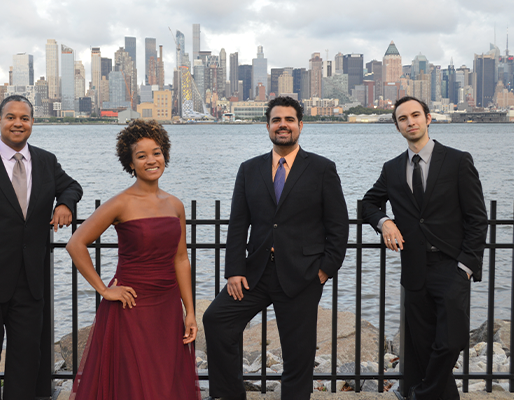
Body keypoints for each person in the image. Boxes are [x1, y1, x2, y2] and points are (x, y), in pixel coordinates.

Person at [203, 96, 349, 400]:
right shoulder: (249, 169)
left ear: (300, 125)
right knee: (217, 319)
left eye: (289, 120)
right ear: (267, 126)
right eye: (276, 120)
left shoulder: (322, 168)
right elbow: (238, 224)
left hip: (302, 274)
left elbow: (338, 225)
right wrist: (234, 271)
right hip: (254, 274)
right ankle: (230, 395)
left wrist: (325, 269)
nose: (283, 125)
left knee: (298, 353)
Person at [0, 95, 83, 400]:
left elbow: (72, 186)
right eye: (11, 117)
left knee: (26, 360)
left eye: (25, 118)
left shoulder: (46, 161)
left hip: (29, 282)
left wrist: (65, 203)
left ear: (32, 123)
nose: (18, 123)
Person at [361, 96, 487, 399]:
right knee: (422, 345)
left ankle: (420, 393)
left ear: (428, 118)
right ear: (397, 127)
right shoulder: (392, 169)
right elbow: (367, 203)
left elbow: (477, 217)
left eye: (415, 115)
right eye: (403, 119)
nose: (410, 122)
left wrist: (466, 267)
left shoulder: (458, 160)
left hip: (452, 266)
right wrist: (384, 223)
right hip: (415, 270)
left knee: (450, 341)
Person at [66, 119, 200, 400]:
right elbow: (76, 244)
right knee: (133, 385)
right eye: (142, 156)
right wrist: (104, 289)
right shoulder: (120, 203)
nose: (151, 160)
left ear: (165, 155)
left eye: (157, 153)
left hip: (167, 306)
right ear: (130, 164)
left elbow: (180, 259)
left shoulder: (174, 205)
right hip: (131, 306)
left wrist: (189, 311)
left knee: (165, 380)